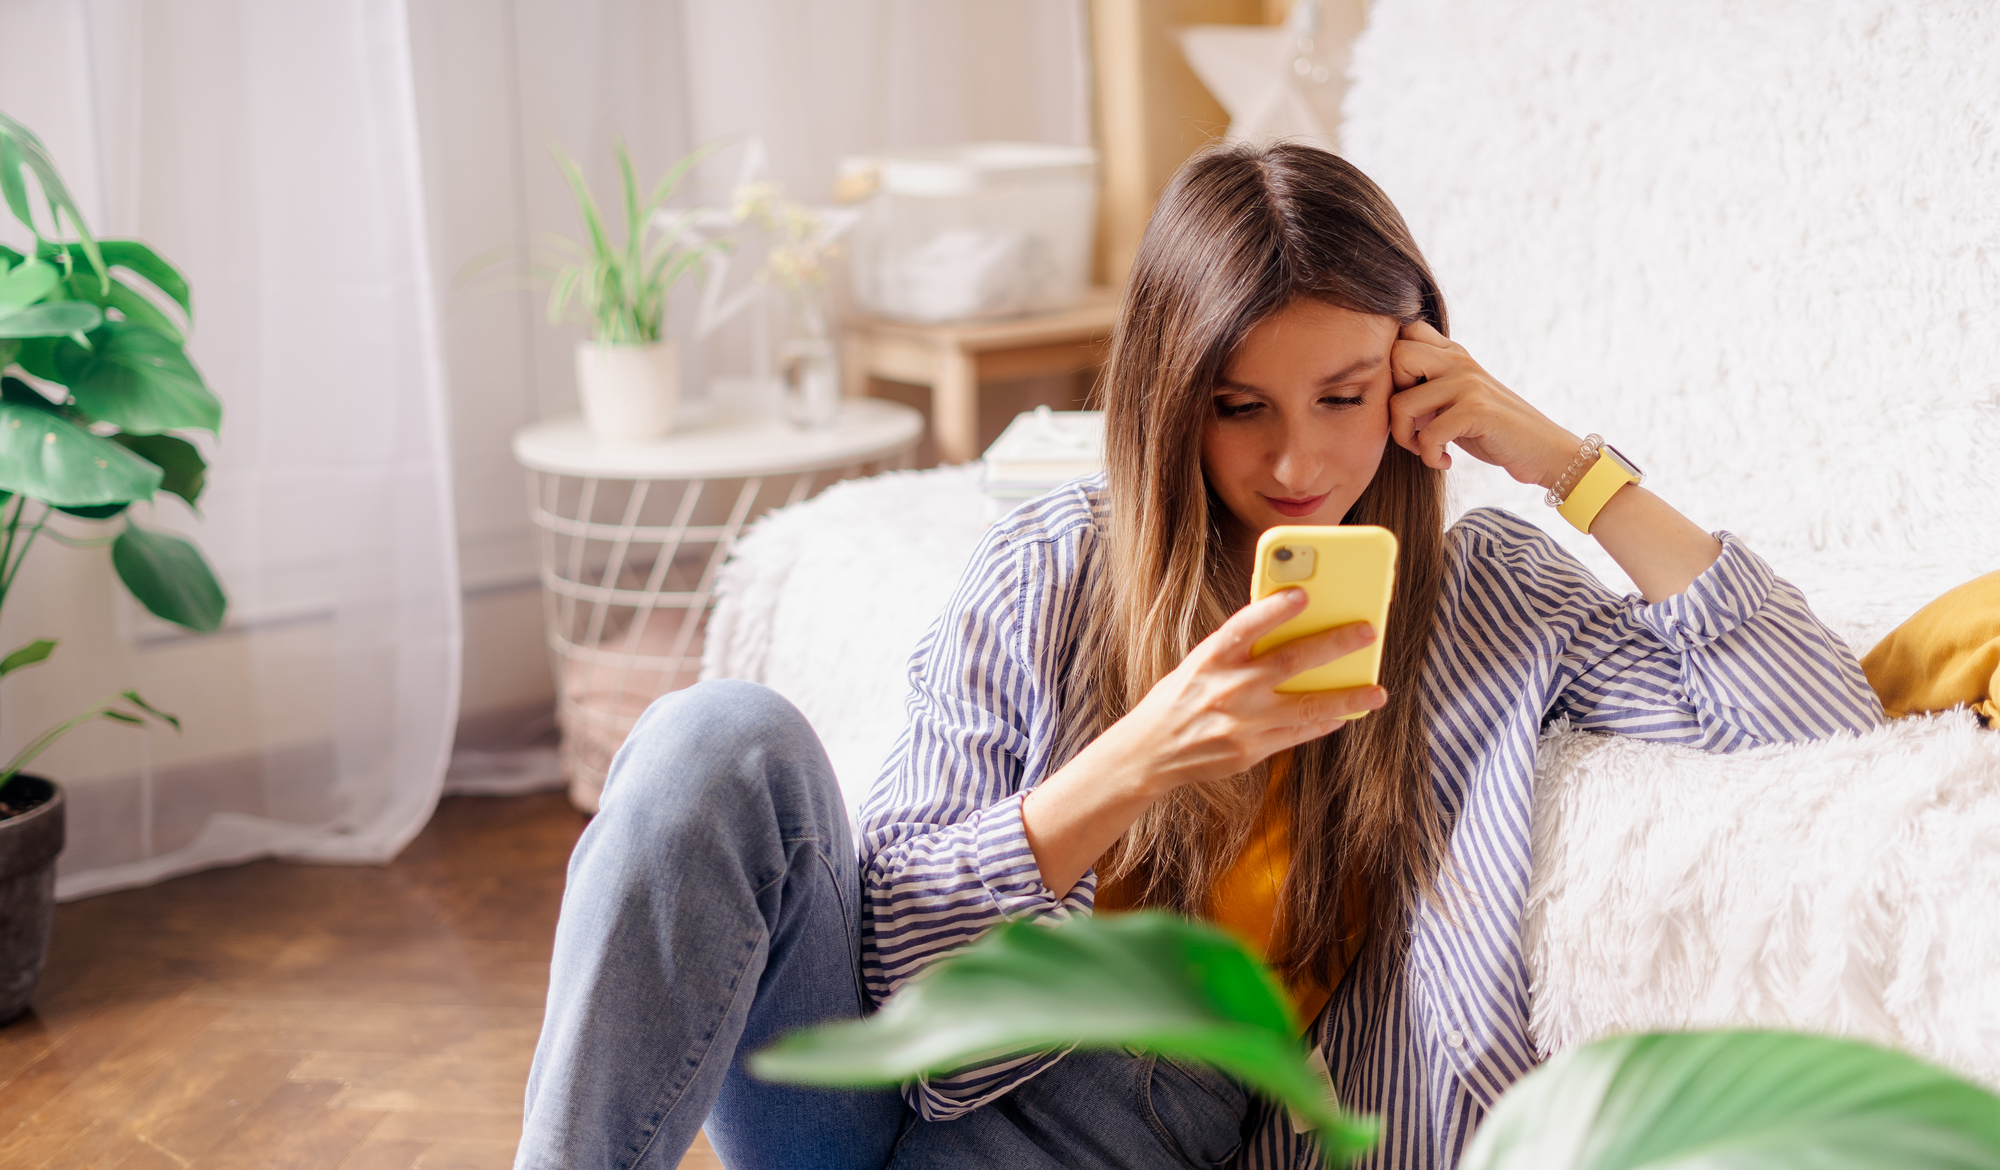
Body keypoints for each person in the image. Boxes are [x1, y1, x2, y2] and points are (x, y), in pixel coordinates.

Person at [514, 142, 1882, 1170]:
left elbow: (1821, 720)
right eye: (1240, 409)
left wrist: (1563, 461)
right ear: (1174, 401)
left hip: (1153, 1133)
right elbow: (885, 950)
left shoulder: (1479, 599)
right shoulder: (1052, 564)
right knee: (718, 737)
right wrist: (1131, 765)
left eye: (1345, 397)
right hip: (887, 1086)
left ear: (1414, 375)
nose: (1299, 462)